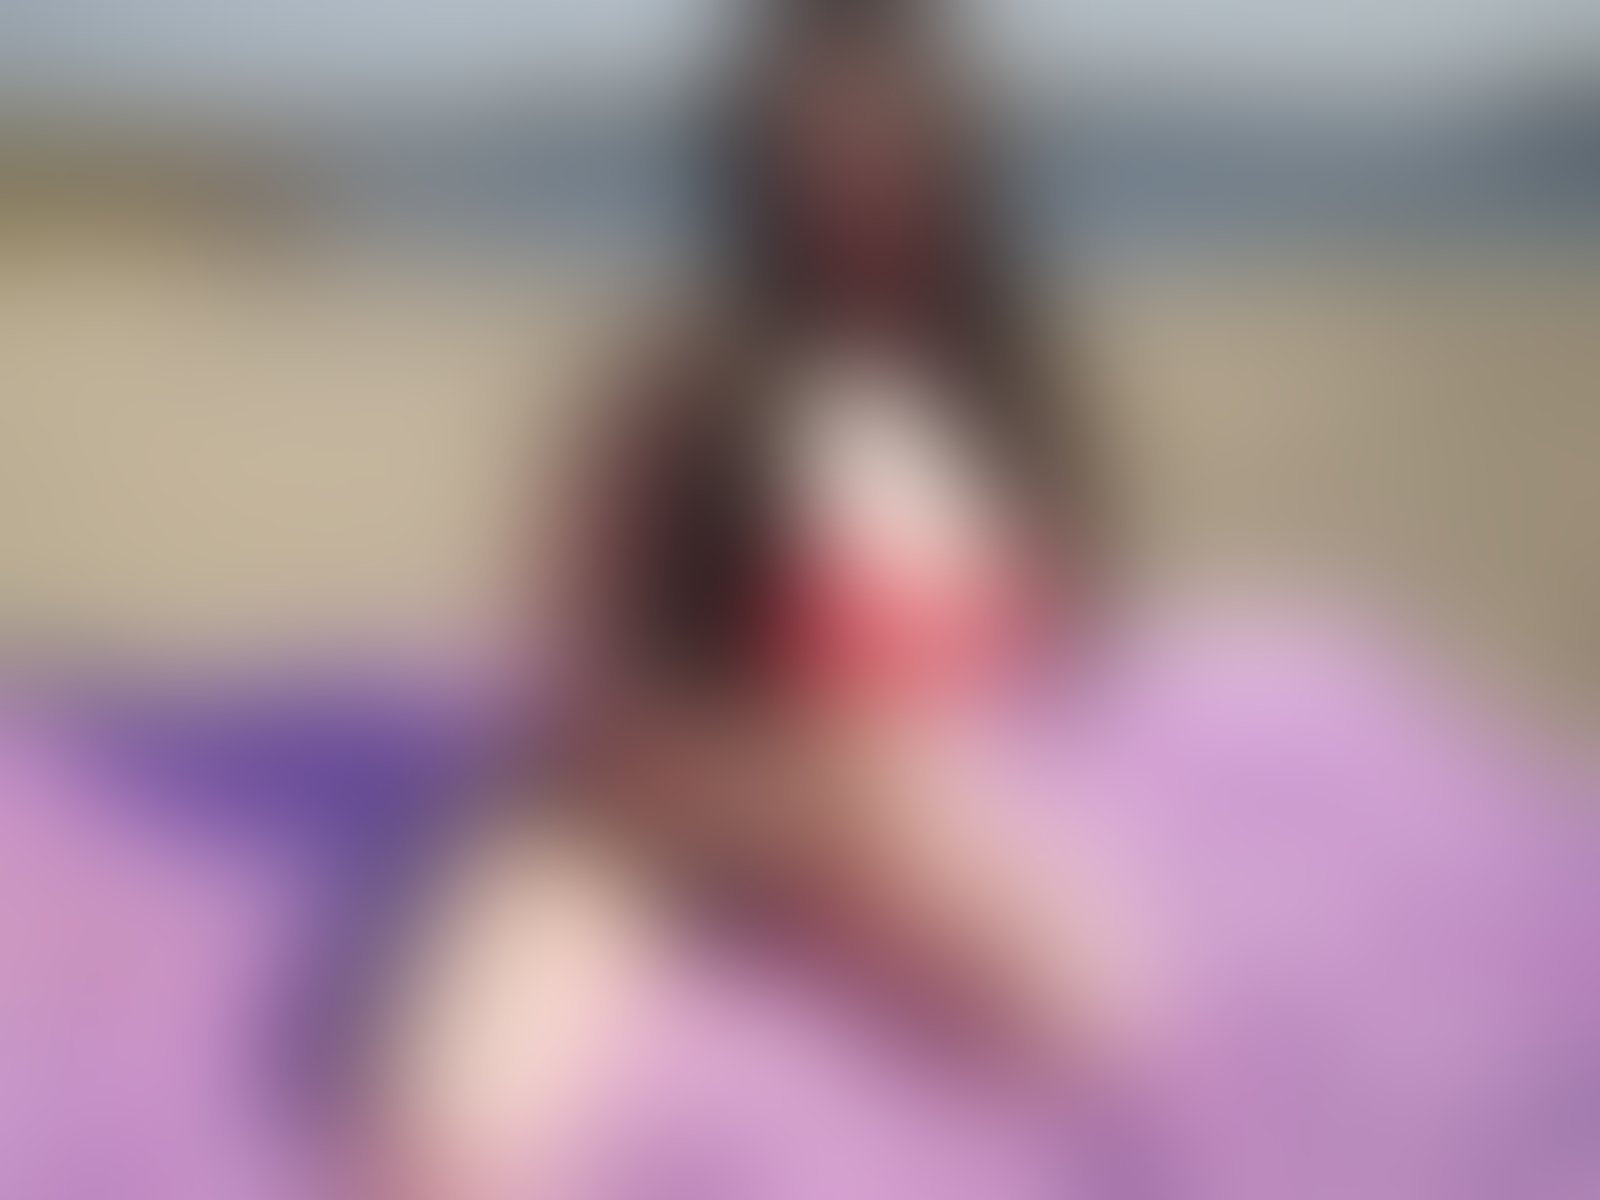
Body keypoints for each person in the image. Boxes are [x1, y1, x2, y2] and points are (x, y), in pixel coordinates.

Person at [367, 2, 1599, 1197]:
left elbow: (1032, 624)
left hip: (861, 787)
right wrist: (723, 760)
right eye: (815, 150)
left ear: (951, 155)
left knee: (1087, 1004)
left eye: (886, 147)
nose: (854, 185)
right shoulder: (684, 376)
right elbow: (574, 655)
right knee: (449, 1112)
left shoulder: (983, 382)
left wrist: (894, 710)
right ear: (760, 165)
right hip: (644, 792)